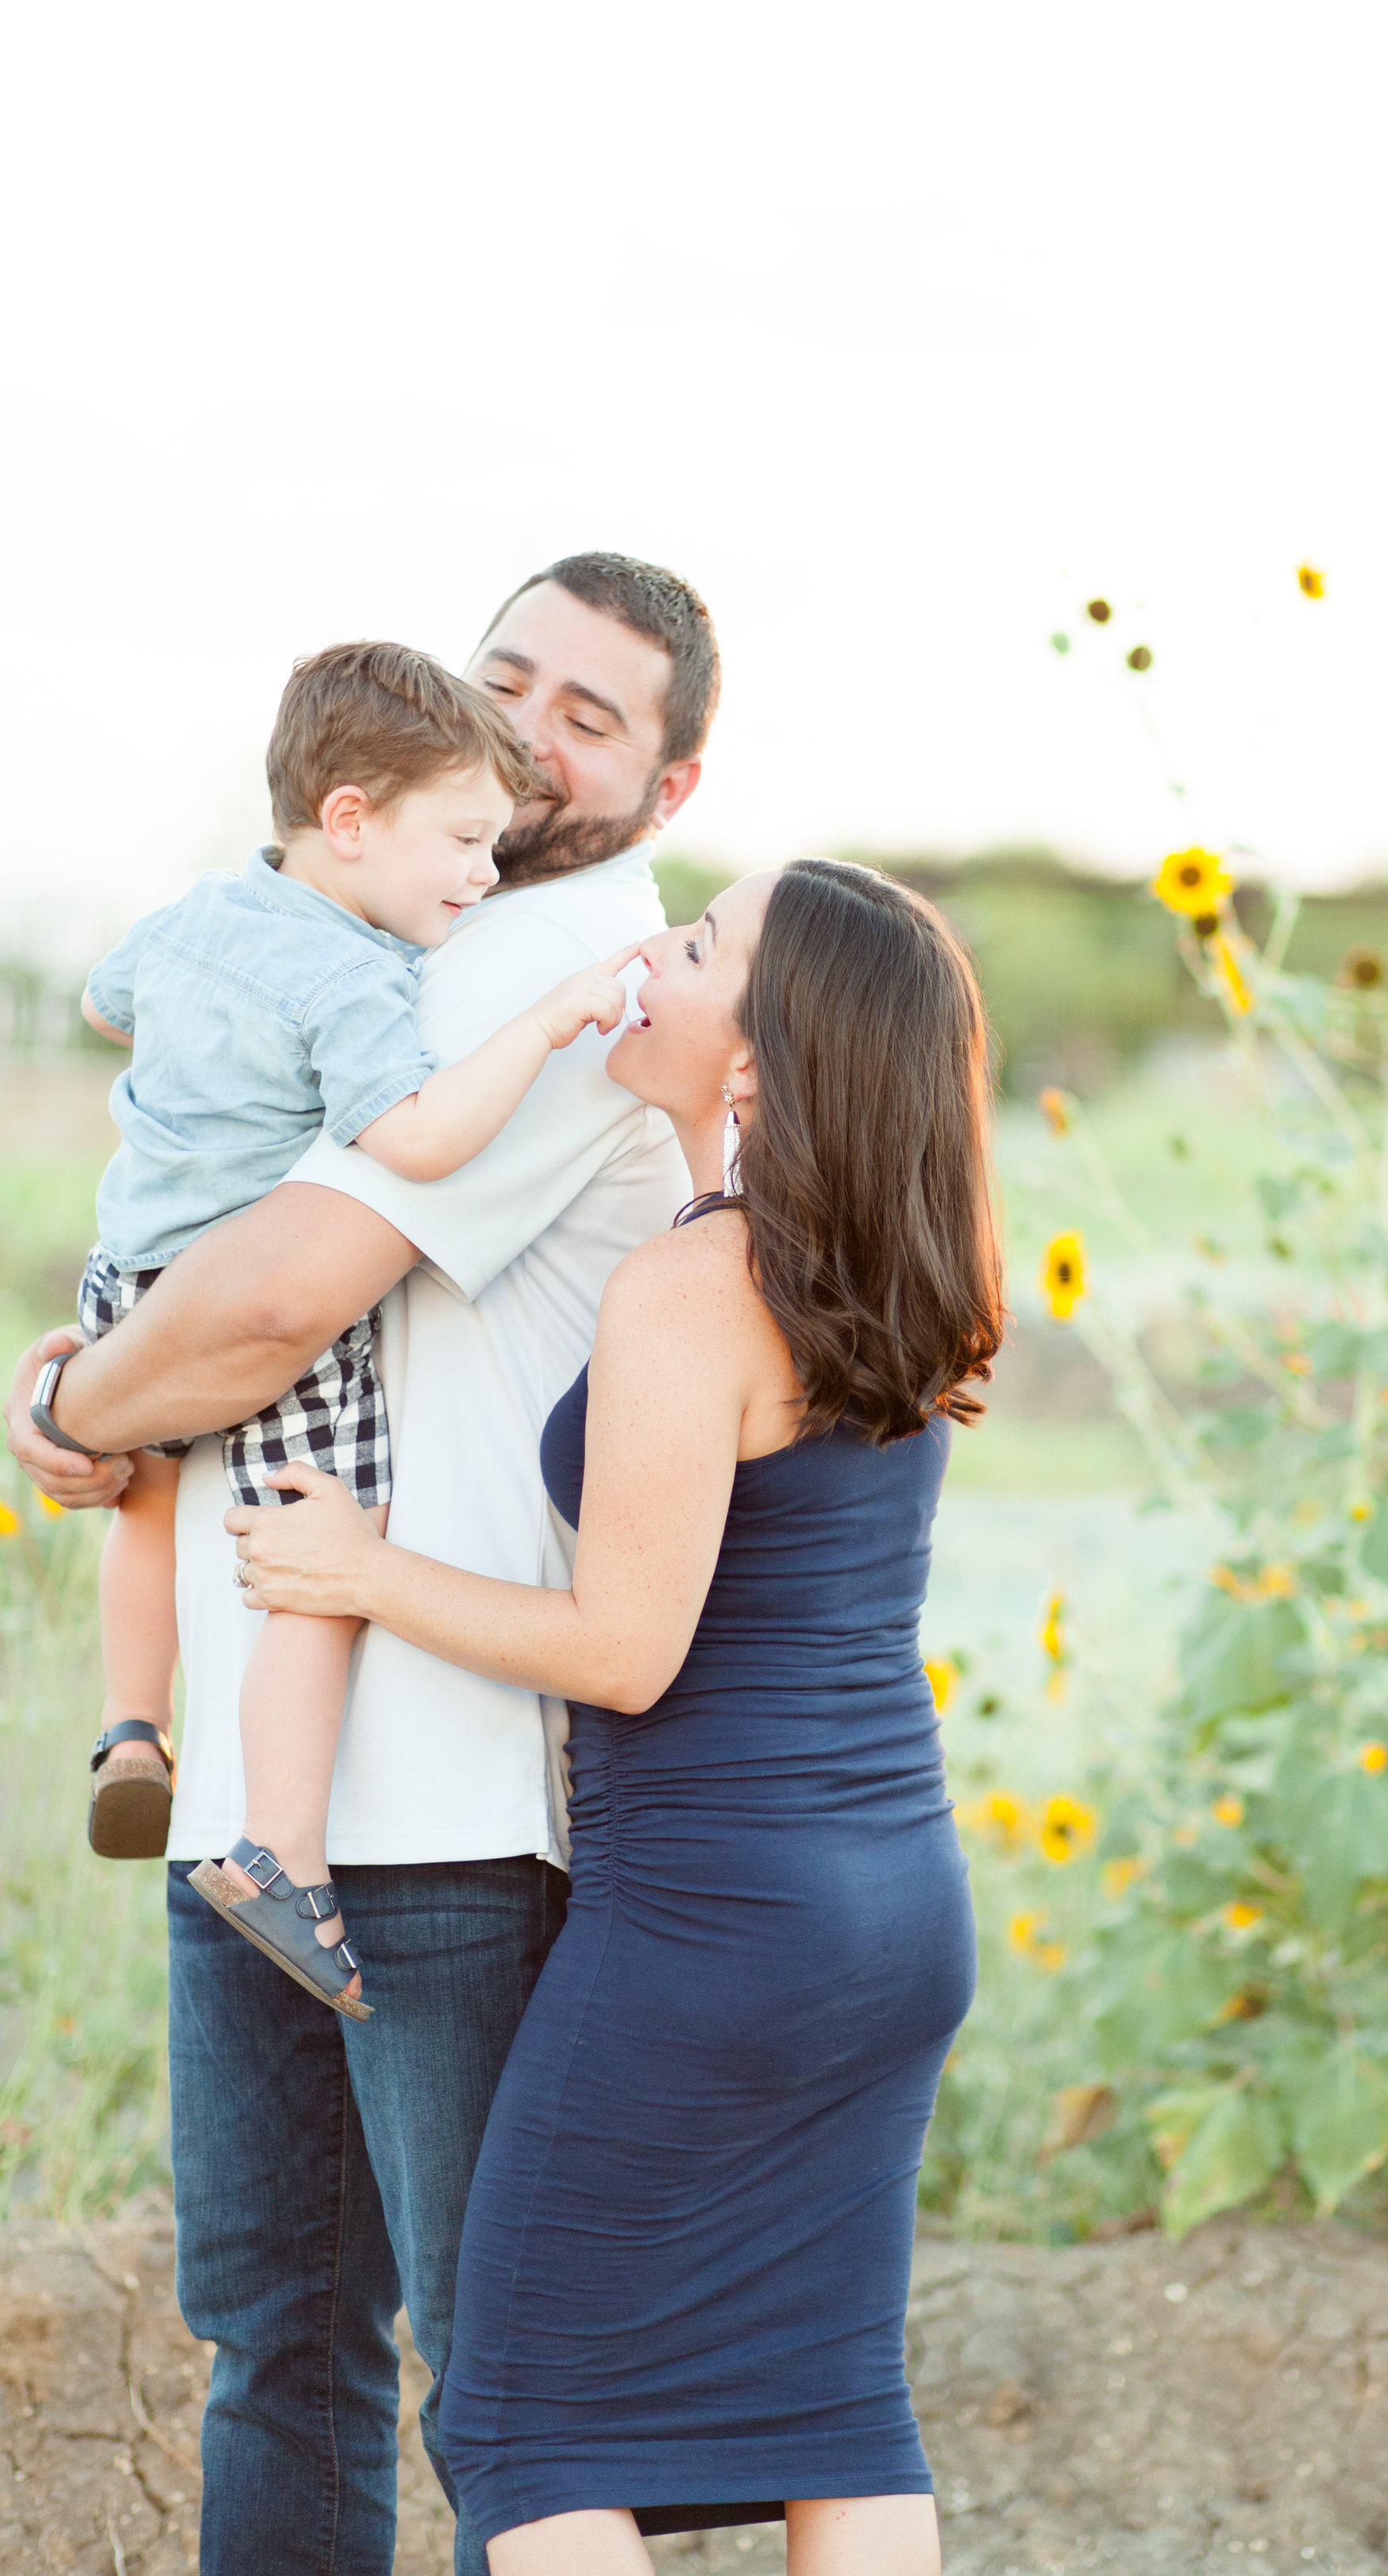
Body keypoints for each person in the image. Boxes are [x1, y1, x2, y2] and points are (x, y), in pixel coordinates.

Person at [6, 553, 718, 2576]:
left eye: (591, 716)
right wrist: (85, 1371)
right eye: (508, 678)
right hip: (269, 1790)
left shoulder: (561, 983)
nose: (529, 728)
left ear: (667, 790)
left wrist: (77, 1406)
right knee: (277, 2342)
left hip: (442, 1797)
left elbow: (266, 1303)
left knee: (487, 2374)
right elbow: (197, 1200)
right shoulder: (400, 926)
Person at [227, 859, 1001, 2576]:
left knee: (524, 2421)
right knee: (836, 2404)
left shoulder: (688, 1292)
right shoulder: (884, 1273)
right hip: (890, 1911)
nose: (648, 953)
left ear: (760, 1062)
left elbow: (625, 1650)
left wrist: (360, 1565)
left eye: (700, 944)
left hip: (720, 1924)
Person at [69, 640, 639, 2024]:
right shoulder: (358, 978)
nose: (480, 877)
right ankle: (283, 1845)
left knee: (145, 1500)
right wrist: (550, 1020)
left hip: (123, 1278)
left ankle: (130, 1724)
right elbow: (424, 1137)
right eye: (460, 842)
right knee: (321, 1552)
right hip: (232, 1283)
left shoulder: (202, 912)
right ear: (348, 822)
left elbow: (102, 1002)